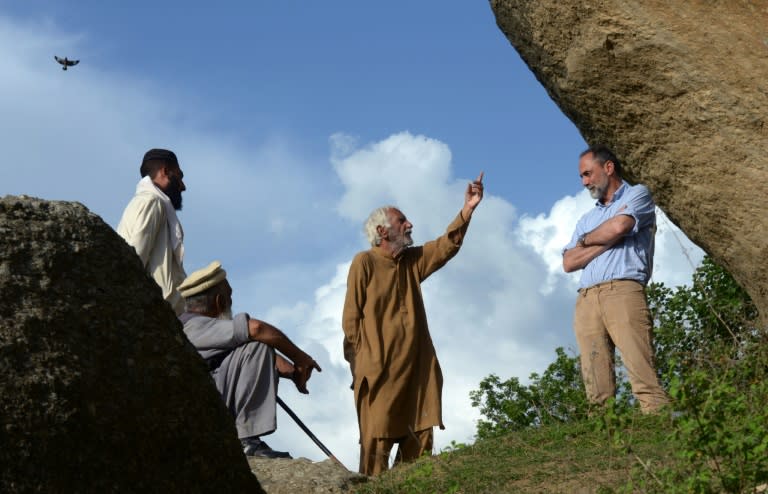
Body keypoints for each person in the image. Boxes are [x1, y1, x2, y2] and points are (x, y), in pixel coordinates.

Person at [342, 172, 484, 475]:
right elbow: (351, 322)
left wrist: (468, 209)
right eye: (402, 221)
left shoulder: (412, 262)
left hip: (418, 372)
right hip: (380, 376)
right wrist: (365, 366)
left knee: (417, 457)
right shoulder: (364, 262)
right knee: (375, 458)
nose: (409, 225)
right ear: (382, 230)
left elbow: (447, 245)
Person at [562, 146, 669, 413]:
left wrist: (586, 240)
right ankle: (604, 435)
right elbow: (568, 262)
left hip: (623, 289)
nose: (584, 182)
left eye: (588, 174)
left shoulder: (638, 194)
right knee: (595, 378)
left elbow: (620, 226)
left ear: (608, 168)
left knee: (641, 368)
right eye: (581, 177)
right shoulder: (587, 217)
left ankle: (661, 425)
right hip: (586, 297)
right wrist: (606, 239)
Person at [177, 260, 322, 458]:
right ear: (219, 301)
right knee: (258, 346)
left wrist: (291, 371)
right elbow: (257, 330)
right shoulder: (193, 326)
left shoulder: (201, 327)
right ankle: (246, 440)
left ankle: (246, 439)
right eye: (229, 297)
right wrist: (301, 358)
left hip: (208, 404)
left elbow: (243, 347)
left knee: (257, 346)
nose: (231, 302)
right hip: (203, 411)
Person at [117, 148, 187, 315]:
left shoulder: (154, 203)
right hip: (152, 313)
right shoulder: (151, 202)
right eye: (179, 176)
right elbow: (134, 259)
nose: (183, 187)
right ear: (165, 171)